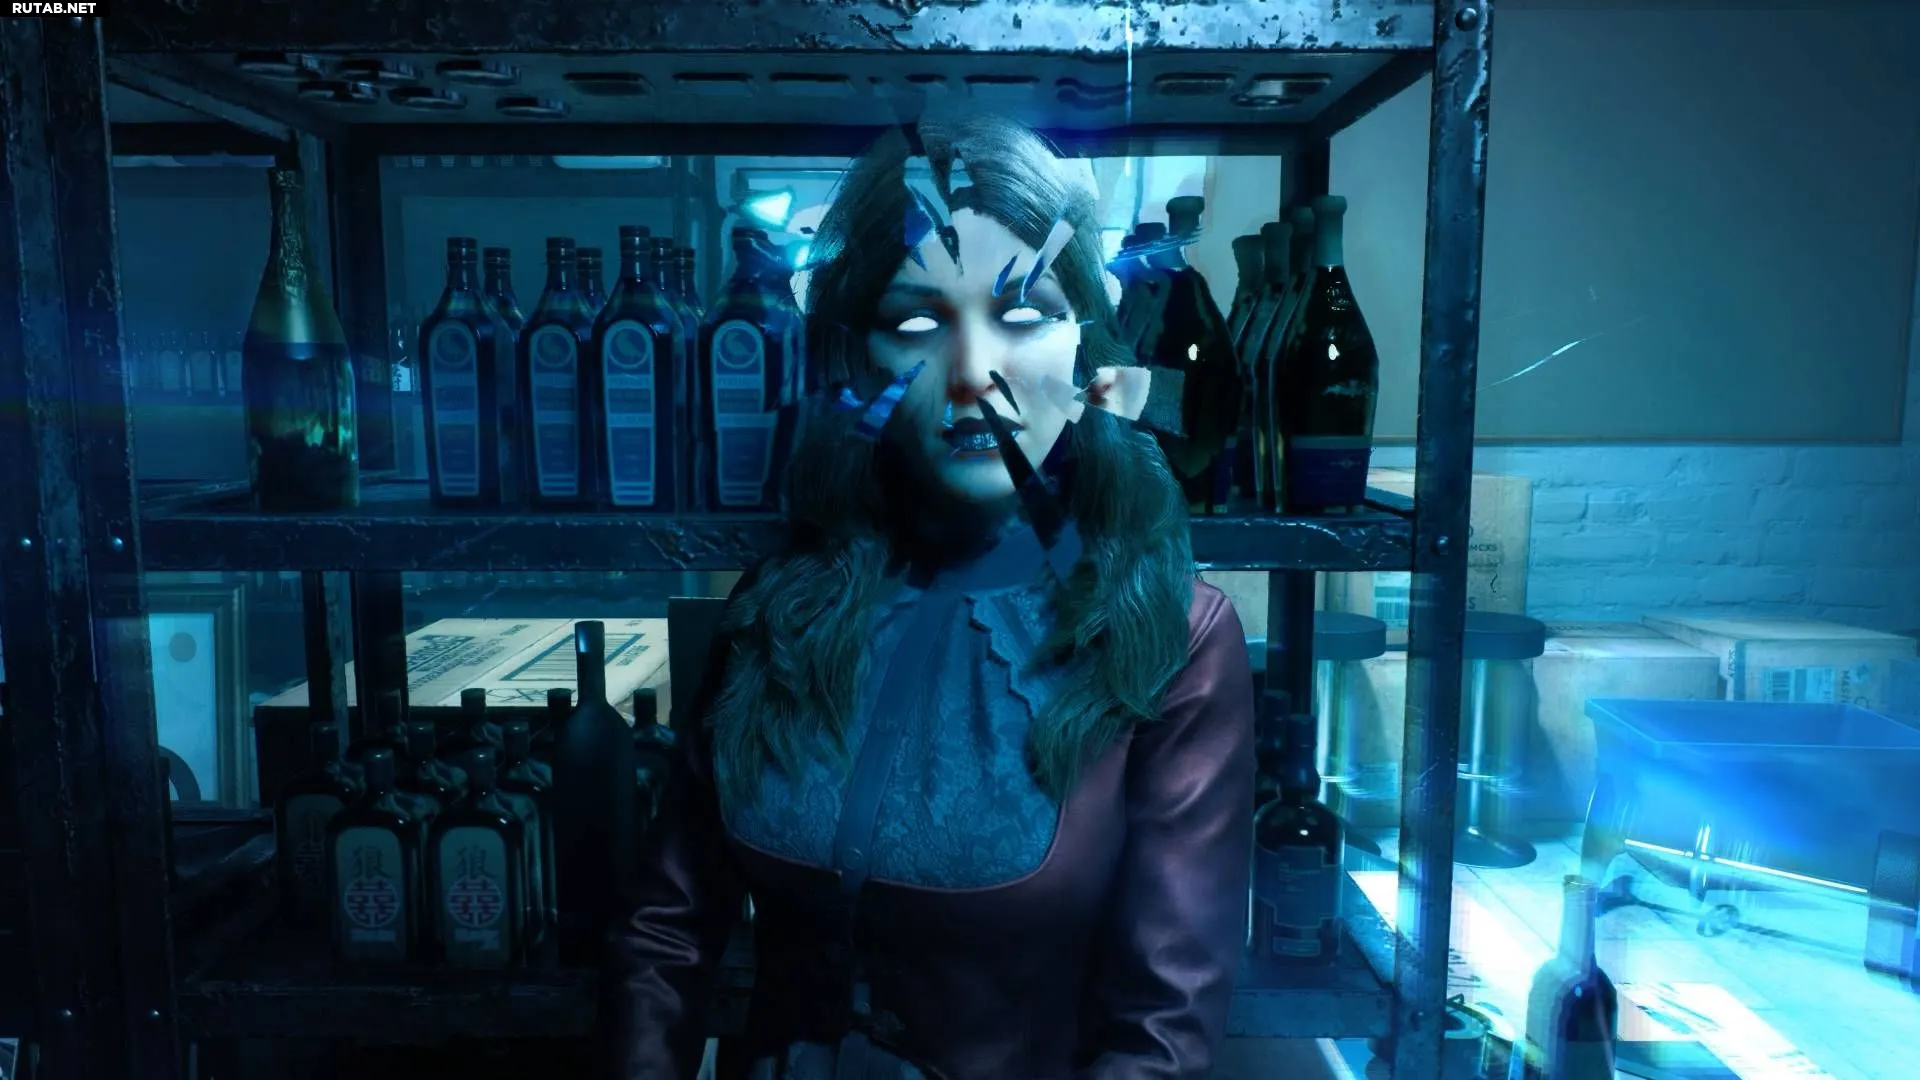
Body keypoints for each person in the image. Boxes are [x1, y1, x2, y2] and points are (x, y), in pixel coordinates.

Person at [601, 113, 1256, 1080]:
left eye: (1024, 314)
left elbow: (1160, 1034)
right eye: (916, 323)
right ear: (856, 360)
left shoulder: (1176, 637)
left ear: (1085, 346)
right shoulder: (783, 600)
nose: (973, 373)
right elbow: (665, 930)